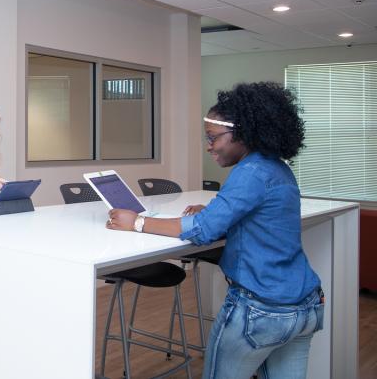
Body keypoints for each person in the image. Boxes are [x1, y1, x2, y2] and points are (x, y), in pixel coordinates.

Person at [107, 82, 323, 379]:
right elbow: (259, 218)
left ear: (243, 133)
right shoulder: (277, 168)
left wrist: (137, 222)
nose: (209, 146)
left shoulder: (250, 172)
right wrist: (213, 211)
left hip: (261, 310)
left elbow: (202, 232)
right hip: (305, 307)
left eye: (213, 137)